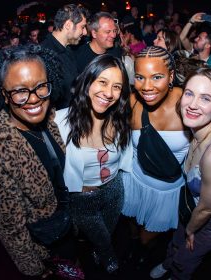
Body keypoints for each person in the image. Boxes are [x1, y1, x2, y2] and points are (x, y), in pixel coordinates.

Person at [0, 44, 71, 278]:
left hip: (68, 227)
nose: (33, 100)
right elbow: (10, 228)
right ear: (4, 94)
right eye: (20, 91)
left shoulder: (51, 119)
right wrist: (35, 270)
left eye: (40, 86)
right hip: (44, 247)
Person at [150, 66, 211, 279]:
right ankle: (167, 262)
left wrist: (191, 230)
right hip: (192, 209)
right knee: (175, 243)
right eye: (189, 94)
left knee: (186, 260)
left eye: (205, 98)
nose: (192, 104)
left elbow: (207, 209)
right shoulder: (195, 131)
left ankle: (176, 273)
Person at [54, 54, 131, 274]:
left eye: (117, 87)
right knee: (102, 237)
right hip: (82, 198)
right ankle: (106, 254)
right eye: (103, 82)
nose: (108, 93)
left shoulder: (119, 119)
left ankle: (101, 251)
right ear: (88, 81)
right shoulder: (59, 122)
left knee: (109, 228)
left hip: (115, 190)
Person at [121, 46, 190, 260]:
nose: (147, 87)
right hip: (135, 179)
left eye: (157, 77)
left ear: (171, 76)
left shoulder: (188, 104)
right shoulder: (133, 101)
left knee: (146, 238)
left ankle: (143, 253)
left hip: (165, 190)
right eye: (140, 77)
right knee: (131, 224)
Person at [41, 4, 90, 109]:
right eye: (82, 27)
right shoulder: (45, 55)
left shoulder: (68, 48)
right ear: (68, 25)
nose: (85, 32)